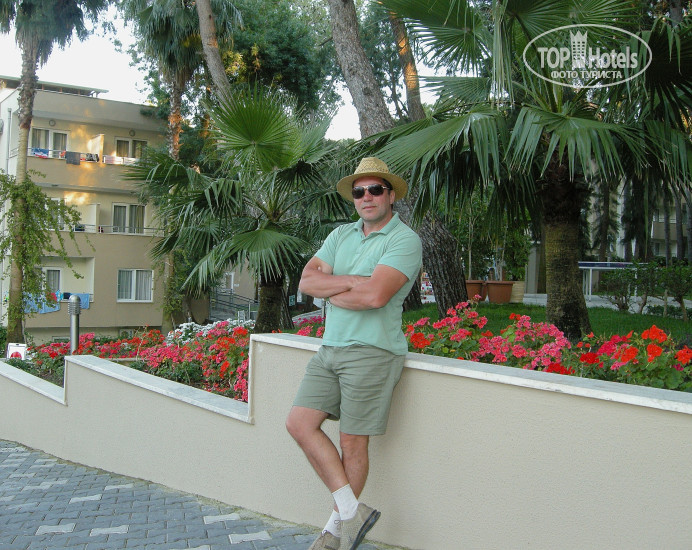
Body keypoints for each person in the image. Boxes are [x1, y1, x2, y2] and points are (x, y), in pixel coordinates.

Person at [286, 157, 422, 550]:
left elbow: (376, 296)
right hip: (330, 348)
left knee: (352, 443)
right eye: (359, 191)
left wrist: (333, 288)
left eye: (375, 189)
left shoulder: (404, 240)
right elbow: (307, 281)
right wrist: (350, 283)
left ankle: (334, 534)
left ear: (391, 195)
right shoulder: (341, 235)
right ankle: (352, 511)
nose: (367, 197)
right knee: (299, 424)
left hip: (372, 352)